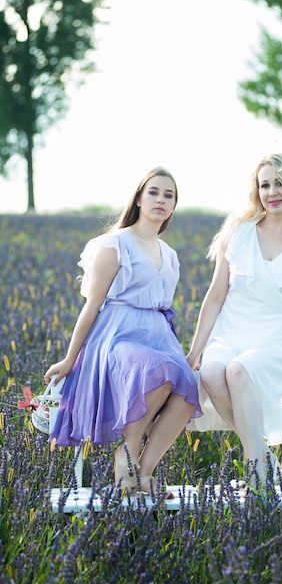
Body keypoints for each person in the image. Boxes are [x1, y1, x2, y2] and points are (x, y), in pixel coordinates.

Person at [44, 167, 201, 497]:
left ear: (174, 206)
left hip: (157, 334)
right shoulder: (116, 244)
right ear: (140, 198)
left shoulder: (170, 255)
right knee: (163, 370)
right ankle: (126, 453)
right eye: (154, 192)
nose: (161, 199)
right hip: (117, 335)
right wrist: (70, 358)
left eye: (169, 195)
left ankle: (141, 474)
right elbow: (92, 305)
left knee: (187, 387)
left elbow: (163, 310)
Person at [186, 153, 282, 488]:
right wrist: (195, 351)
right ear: (256, 190)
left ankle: (256, 474)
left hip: (278, 337)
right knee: (212, 372)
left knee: (238, 371)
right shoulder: (238, 232)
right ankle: (266, 458)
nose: (272, 192)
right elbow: (215, 296)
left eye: (280, 183)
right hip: (232, 330)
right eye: (265, 184)